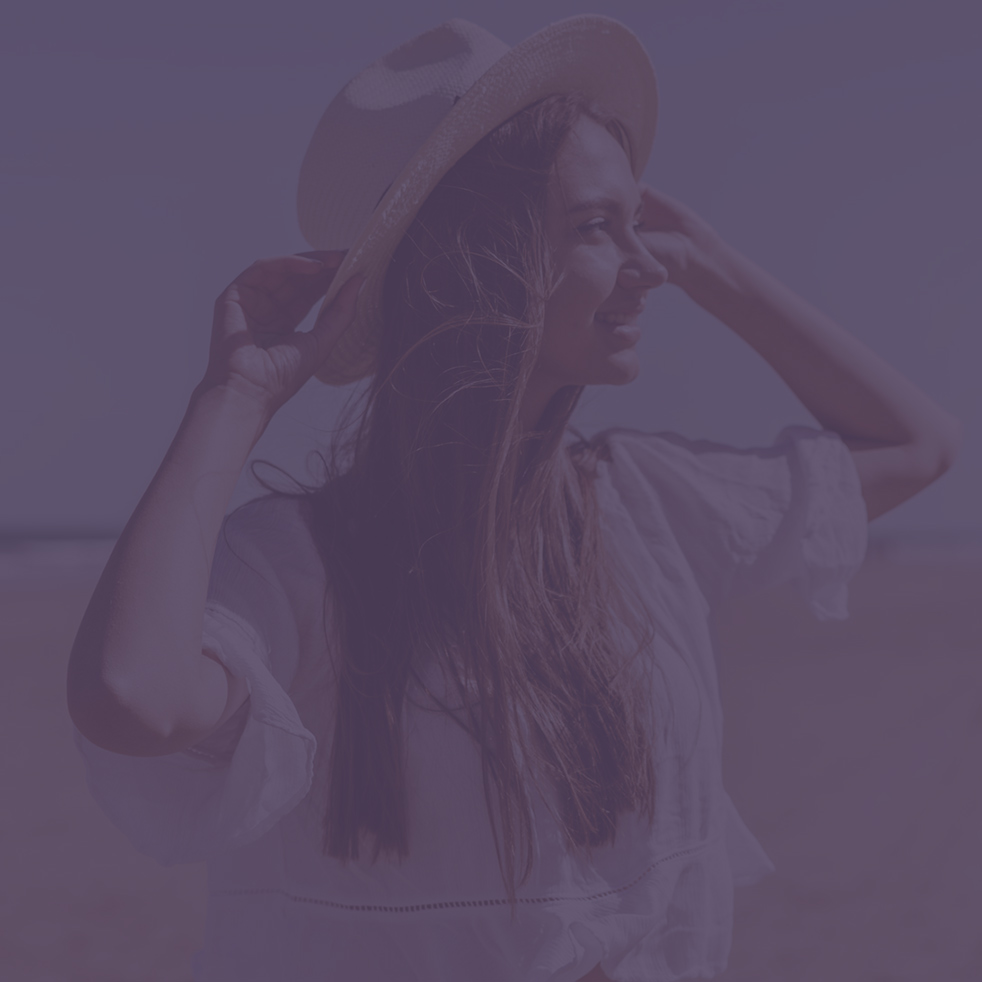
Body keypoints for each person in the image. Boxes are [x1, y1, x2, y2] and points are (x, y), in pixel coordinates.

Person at [66, 16, 961, 982]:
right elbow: (132, 699)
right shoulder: (302, 564)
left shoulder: (647, 504)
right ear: (474, 257)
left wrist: (709, 259)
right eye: (593, 228)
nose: (649, 266)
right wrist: (234, 398)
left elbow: (917, 446)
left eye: (640, 227)